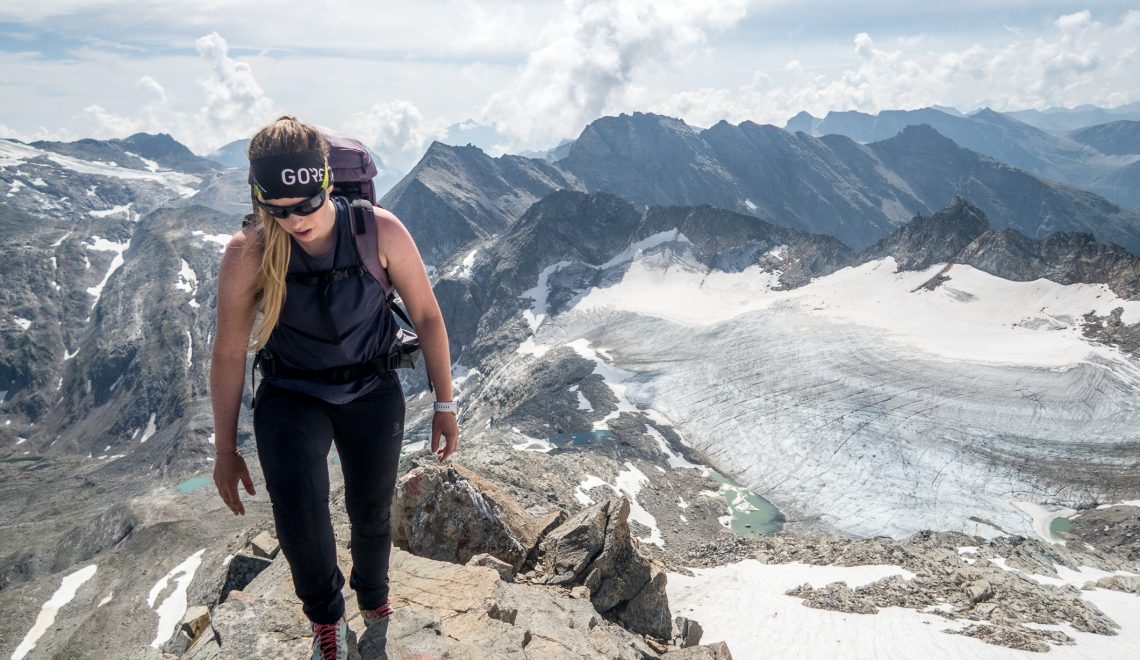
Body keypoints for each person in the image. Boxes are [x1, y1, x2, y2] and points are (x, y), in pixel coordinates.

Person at [209, 116, 459, 660]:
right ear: (259, 200)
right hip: (291, 393)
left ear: (327, 184)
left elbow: (428, 316)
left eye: (305, 205)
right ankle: (325, 617)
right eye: (276, 210)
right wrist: (225, 450)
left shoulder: (379, 229)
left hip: (371, 386)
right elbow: (228, 352)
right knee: (298, 509)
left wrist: (445, 403)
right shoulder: (248, 252)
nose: (293, 221)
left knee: (371, 508)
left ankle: (373, 597)